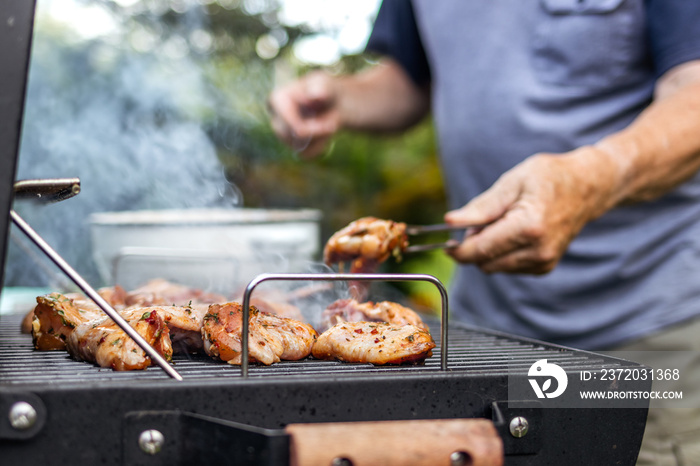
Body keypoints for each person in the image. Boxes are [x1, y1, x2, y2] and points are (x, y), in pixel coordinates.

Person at [268, 1, 700, 463]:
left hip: (642, 323)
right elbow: (411, 79)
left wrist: (592, 178)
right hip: (485, 335)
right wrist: (342, 96)